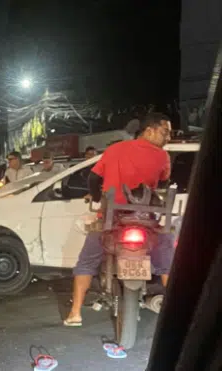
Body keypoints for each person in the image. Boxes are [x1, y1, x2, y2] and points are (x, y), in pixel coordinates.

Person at [64, 112, 174, 327]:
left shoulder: (115, 149)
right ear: (149, 131)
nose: (167, 138)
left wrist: (96, 196)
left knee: (86, 262)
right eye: (165, 133)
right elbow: (164, 180)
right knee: (167, 263)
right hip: (146, 220)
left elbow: (93, 178)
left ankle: (75, 313)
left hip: (112, 219)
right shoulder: (163, 156)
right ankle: (176, 313)